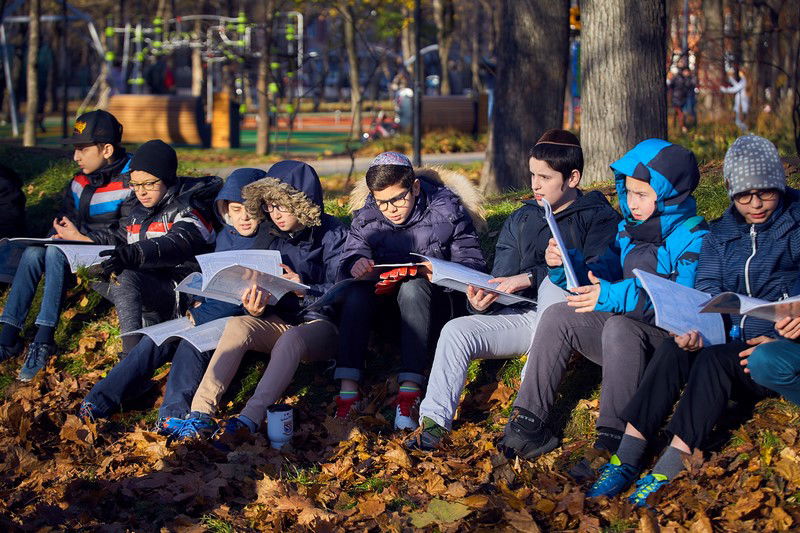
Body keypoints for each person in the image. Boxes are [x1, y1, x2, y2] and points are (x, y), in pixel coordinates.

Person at [585, 134, 800, 507]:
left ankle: (670, 465)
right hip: (728, 338)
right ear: (730, 191)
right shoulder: (722, 234)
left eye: (765, 193)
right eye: (744, 196)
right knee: (676, 349)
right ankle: (627, 456)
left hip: (770, 349)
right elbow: (707, 288)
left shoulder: (795, 230)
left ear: (779, 185)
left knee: (714, 361)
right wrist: (695, 329)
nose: (755, 204)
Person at [406, 130, 621, 451]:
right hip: (523, 318)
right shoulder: (522, 217)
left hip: (571, 318)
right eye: (532, 175)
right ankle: (434, 425)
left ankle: (528, 409)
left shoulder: (600, 217)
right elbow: (502, 278)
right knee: (456, 331)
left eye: (545, 177)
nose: (535, 185)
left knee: (551, 284)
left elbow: (596, 274)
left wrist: (531, 277)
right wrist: (482, 301)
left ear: (573, 178)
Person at [499, 139, 709, 462]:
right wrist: (564, 264)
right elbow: (598, 276)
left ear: (669, 196)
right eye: (629, 192)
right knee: (558, 315)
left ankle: (611, 439)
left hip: (668, 346)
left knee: (620, 326)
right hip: (622, 338)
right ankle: (527, 423)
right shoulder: (627, 230)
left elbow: (678, 304)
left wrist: (612, 295)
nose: (632, 202)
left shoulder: (694, 237)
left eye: (642, 195)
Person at [78, 168, 271, 426]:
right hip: (203, 309)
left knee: (189, 344)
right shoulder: (225, 236)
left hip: (235, 319)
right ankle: (97, 401)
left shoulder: (267, 240)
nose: (243, 217)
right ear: (225, 209)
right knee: (154, 340)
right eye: (235, 209)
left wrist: (199, 313)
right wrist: (196, 298)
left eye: (250, 210)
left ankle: (172, 416)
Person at [173, 161, 347, 440]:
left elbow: (344, 290)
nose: (275, 214)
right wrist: (255, 306)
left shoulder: (333, 233)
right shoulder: (271, 233)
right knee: (239, 325)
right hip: (281, 320)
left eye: (282, 206)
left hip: (322, 324)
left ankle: (248, 419)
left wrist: (305, 289)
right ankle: (200, 414)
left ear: (301, 202)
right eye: (270, 206)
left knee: (292, 339)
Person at [334, 151, 486, 431]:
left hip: (434, 308)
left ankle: (410, 391)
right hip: (386, 314)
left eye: (398, 198)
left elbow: (472, 263)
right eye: (382, 202)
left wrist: (436, 272)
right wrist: (356, 265)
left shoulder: (447, 210)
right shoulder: (367, 216)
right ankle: (348, 393)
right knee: (356, 294)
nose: (390, 209)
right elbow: (348, 258)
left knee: (413, 287)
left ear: (415, 187)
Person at [0, 110, 132, 382]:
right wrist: (57, 233)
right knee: (35, 251)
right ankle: (7, 335)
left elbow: (127, 235)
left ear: (107, 150)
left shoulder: (132, 181)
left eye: (82, 149)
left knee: (54, 253)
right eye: (75, 149)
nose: (75, 157)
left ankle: (44, 339)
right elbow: (65, 216)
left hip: (109, 255)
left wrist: (83, 239)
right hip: (74, 247)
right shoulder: (79, 180)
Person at [95, 140, 219, 359]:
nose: (141, 192)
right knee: (95, 273)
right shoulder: (138, 211)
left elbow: (177, 242)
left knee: (125, 277)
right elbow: (119, 237)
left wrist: (134, 254)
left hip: (182, 291)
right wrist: (82, 243)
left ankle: (130, 356)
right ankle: (148, 318)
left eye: (149, 184)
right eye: (135, 185)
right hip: (151, 283)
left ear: (167, 178)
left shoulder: (191, 207)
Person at [668, 67, 695, 133]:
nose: (687, 73)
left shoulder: (689, 79)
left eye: (688, 72)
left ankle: (678, 127)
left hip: (684, 99)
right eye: (686, 71)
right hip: (676, 99)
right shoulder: (677, 78)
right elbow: (670, 86)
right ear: (683, 71)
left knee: (681, 114)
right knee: (680, 113)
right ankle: (682, 128)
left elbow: (691, 87)